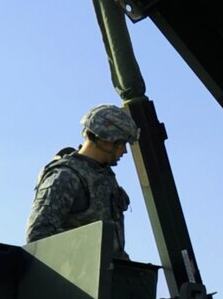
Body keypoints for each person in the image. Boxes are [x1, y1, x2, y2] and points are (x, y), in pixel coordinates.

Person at [24, 104, 139, 255]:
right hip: (73, 275)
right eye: (121, 143)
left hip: (105, 274)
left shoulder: (105, 177)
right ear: (105, 140)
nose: (124, 151)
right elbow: (37, 237)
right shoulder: (65, 177)